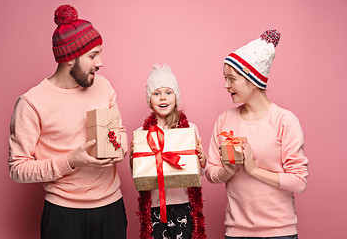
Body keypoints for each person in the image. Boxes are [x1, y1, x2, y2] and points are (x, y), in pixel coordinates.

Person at [8, 5, 128, 239]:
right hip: (63, 214)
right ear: (70, 58)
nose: (100, 63)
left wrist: (120, 148)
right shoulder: (32, 102)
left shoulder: (103, 86)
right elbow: (18, 169)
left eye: (99, 53)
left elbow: (120, 131)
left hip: (112, 207)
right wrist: (70, 161)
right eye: (92, 56)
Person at [206, 29, 308, 239]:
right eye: (225, 78)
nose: (226, 85)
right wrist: (228, 170)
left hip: (280, 233)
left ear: (252, 81)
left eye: (231, 79)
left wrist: (253, 170)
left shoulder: (284, 120)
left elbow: (299, 181)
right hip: (236, 232)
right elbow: (211, 172)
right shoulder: (225, 120)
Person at [130, 64, 207, 239]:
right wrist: (132, 161)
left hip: (185, 205)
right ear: (150, 99)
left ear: (176, 97)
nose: (162, 98)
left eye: (168, 92)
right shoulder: (143, 134)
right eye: (156, 93)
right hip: (155, 208)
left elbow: (198, 173)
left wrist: (202, 160)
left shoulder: (189, 130)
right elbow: (139, 175)